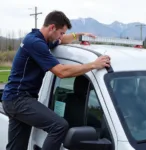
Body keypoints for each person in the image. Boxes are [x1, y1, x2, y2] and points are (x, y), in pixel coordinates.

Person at [1, 10, 110, 150]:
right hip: (19, 100)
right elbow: (61, 72)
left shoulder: (40, 39)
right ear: (52, 27)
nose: (62, 36)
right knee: (59, 126)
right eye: (61, 32)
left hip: (13, 99)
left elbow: (62, 40)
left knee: (17, 147)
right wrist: (93, 64)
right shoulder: (36, 43)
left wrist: (80, 35)